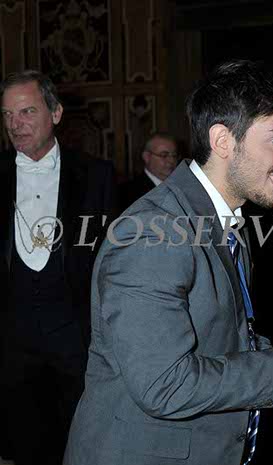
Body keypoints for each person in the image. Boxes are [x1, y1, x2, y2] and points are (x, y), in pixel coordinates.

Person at [63, 60, 273, 465]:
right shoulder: (155, 232)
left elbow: (217, 339)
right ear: (223, 140)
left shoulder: (225, 220)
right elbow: (164, 384)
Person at [0, 70, 115, 465]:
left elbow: (112, 262)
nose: (15, 124)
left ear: (56, 113)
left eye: (27, 111)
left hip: (77, 343)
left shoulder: (97, 175)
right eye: (7, 115)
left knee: (83, 448)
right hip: (11, 347)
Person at [118, 132, 178, 211]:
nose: (171, 160)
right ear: (147, 157)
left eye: (174, 155)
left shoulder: (182, 187)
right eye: (164, 155)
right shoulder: (126, 193)